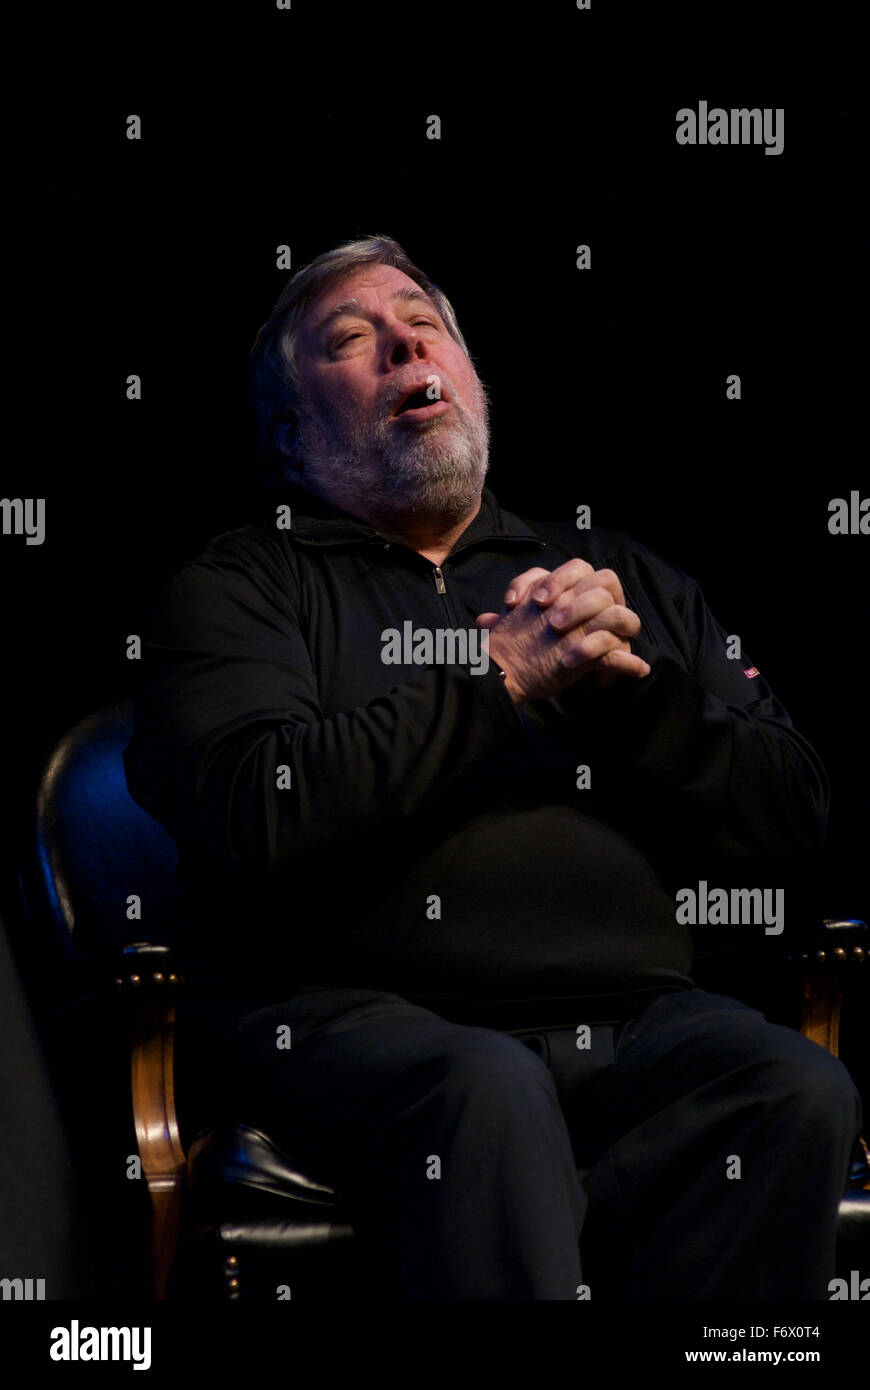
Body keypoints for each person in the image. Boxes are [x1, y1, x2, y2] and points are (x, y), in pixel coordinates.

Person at [123, 234, 862, 1300]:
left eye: (424, 325)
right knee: (489, 1087)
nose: (402, 343)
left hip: (634, 1023)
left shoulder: (614, 580)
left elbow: (796, 808)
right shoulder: (241, 585)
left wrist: (636, 700)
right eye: (350, 338)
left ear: (470, 378)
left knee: (792, 1086)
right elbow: (252, 805)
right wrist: (497, 678)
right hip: (356, 1021)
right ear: (291, 434)